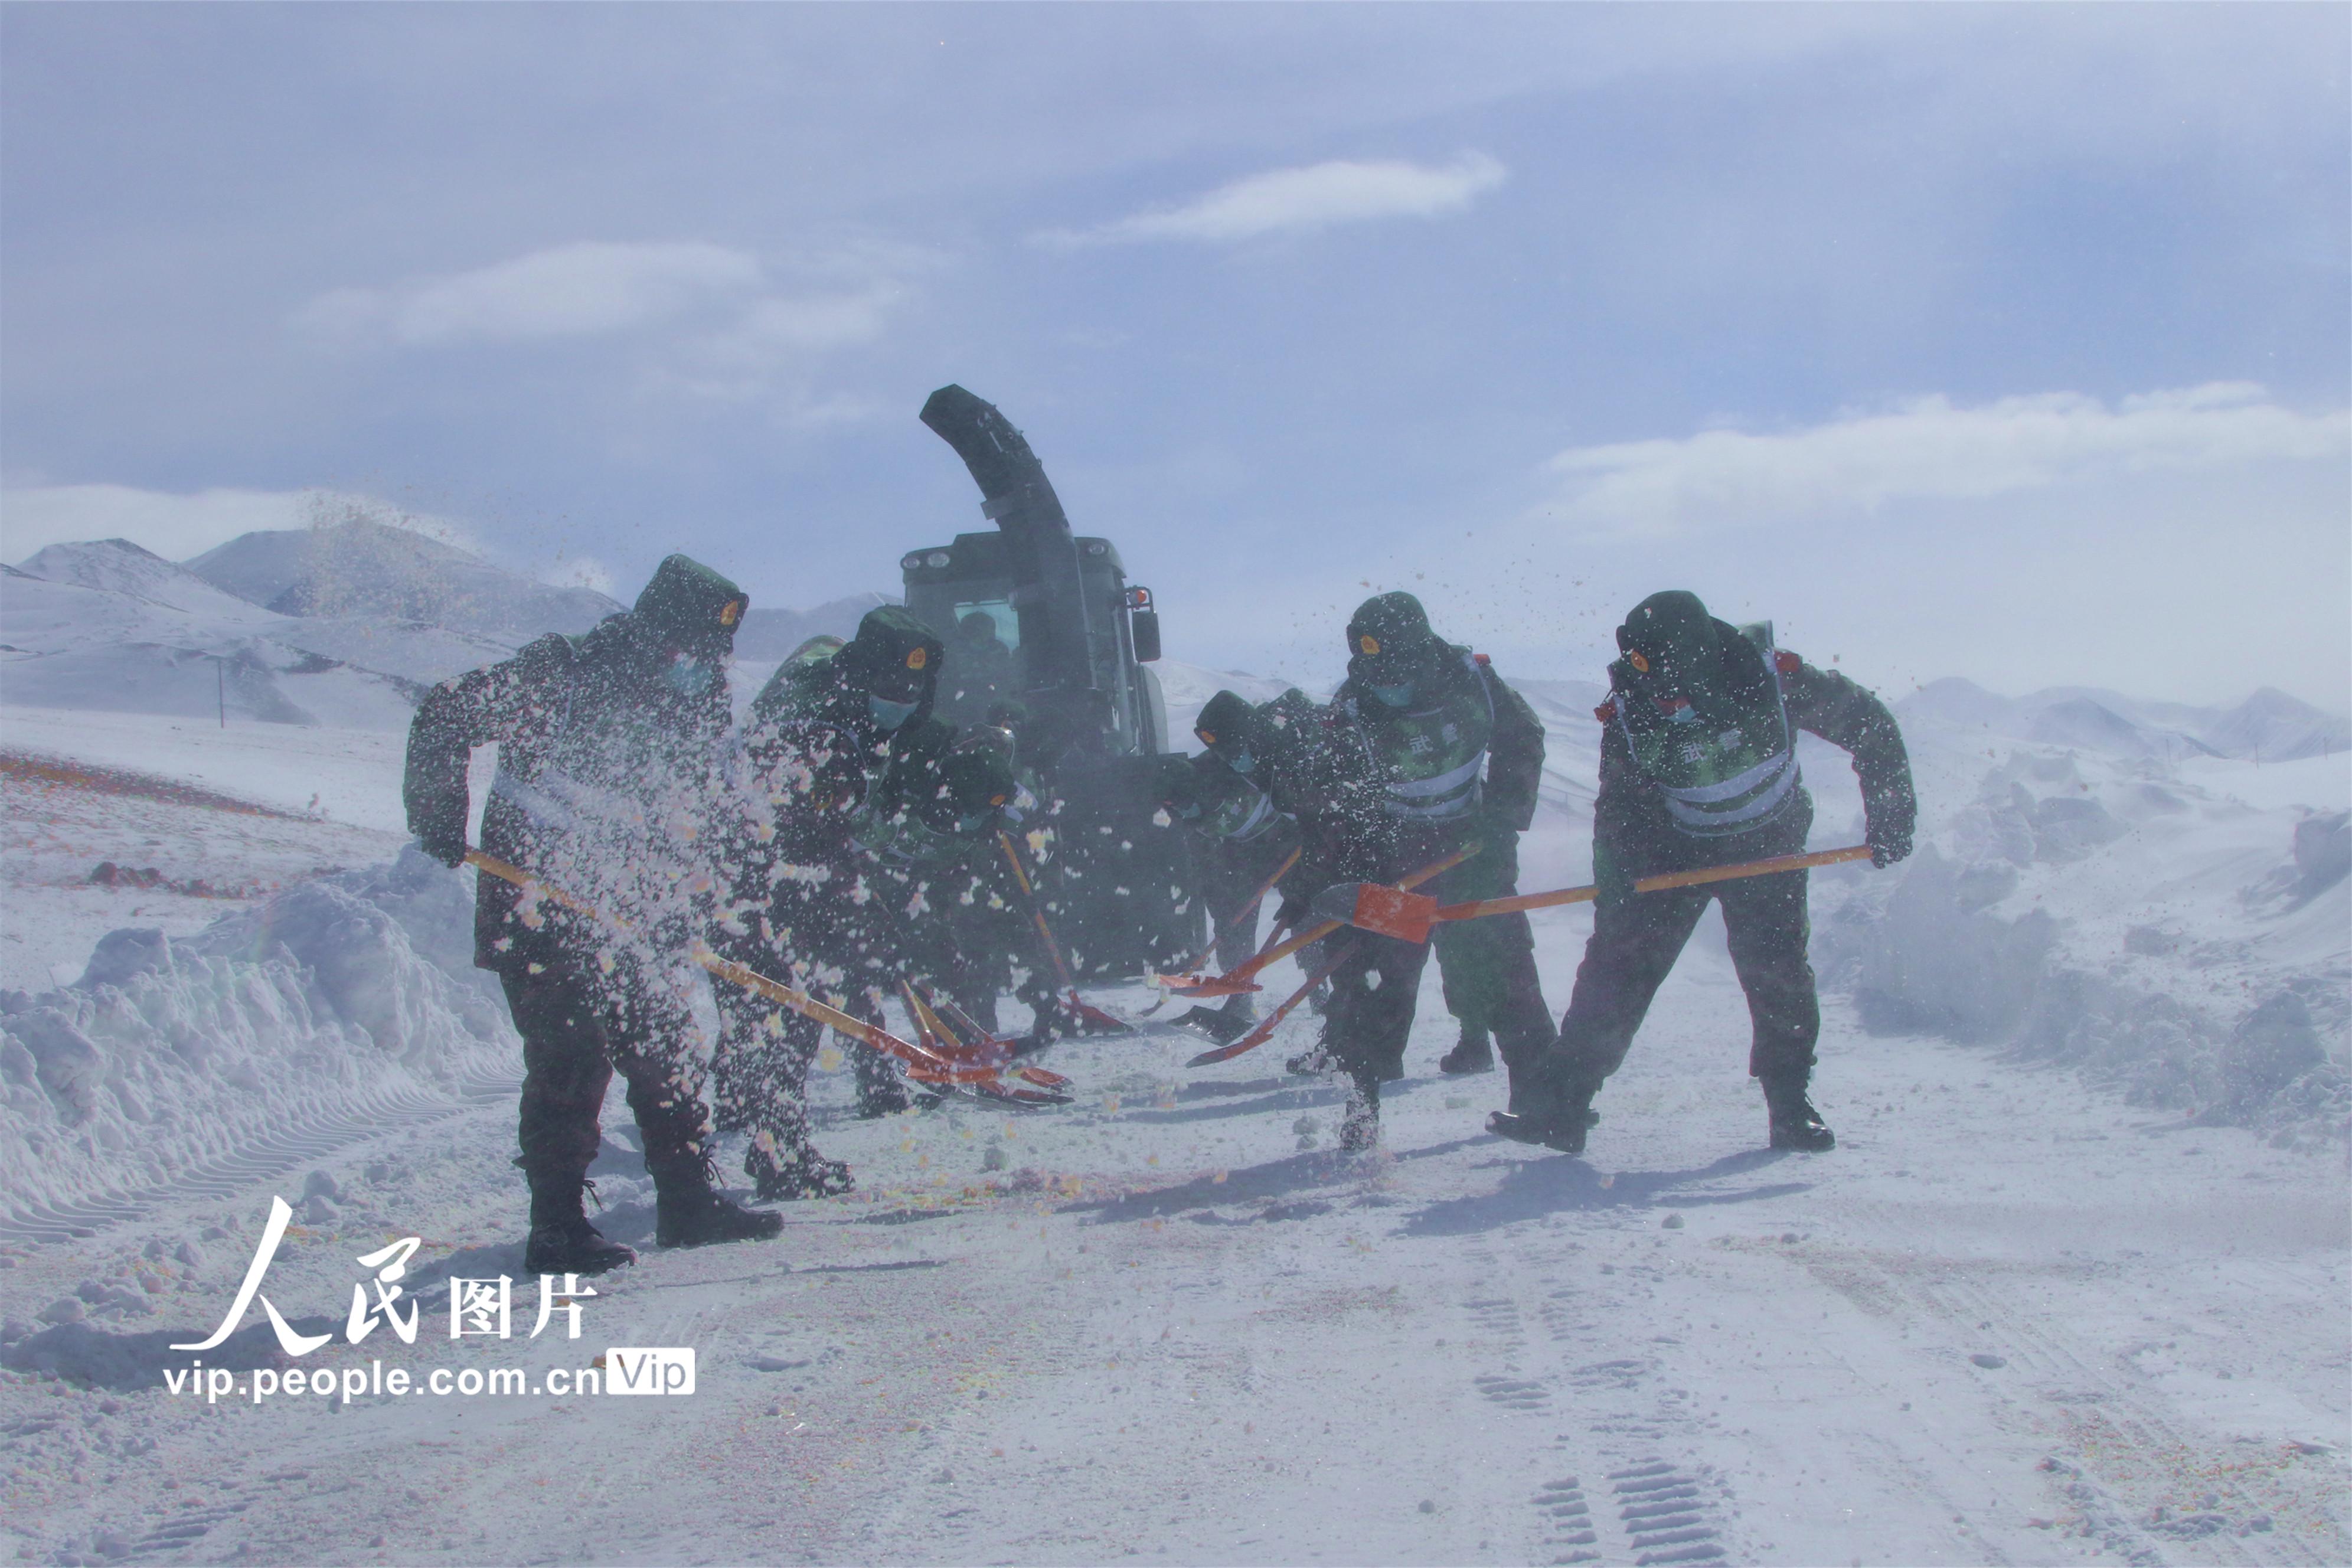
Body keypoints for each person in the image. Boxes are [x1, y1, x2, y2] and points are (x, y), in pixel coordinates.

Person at [403, 555, 783, 1275]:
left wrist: (682, 901)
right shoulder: (562, 676)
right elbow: (446, 712)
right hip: (537, 901)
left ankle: (686, 1203)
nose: (699, 668)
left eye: (710, 657)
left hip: (624, 905)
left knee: (667, 1044)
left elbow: (691, 813)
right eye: (688, 651)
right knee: (571, 1055)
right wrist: (439, 816)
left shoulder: (692, 704)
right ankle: (556, 1229)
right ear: (652, 636)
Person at [1495, 590, 1916, 1155]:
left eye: (1677, 692)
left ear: (1704, 665)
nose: (1667, 705)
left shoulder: (1773, 677)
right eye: (1657, 695)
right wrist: (1616, 876)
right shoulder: (1628, 709)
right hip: (1676, 846)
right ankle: (1564, 1107)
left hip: (1767, 843)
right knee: (1616, 969)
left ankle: (1791, 1106)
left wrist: (1890, 812)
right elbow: (1618, 805)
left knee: (1777, 970)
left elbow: (1868, 723)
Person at [708, 606, 947, 1199]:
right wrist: (857, 895)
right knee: (784, 1013)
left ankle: (755, 1122)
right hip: (749, 881)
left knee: (766, 1010)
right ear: (864, 677)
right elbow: (805, 834)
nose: (901, 701)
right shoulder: (819, 729)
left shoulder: (849, 714)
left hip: (763, 878)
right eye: (891, 688)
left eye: (911, 691)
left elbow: (831, 833)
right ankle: (777, 1155)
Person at [1317, 592, 1557, 1151]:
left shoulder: (1472, 683)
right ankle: (1362, 1108)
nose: (1385, 685)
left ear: (1421, 656)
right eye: (1374, 673)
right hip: (1392, 854)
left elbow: (1524, 739)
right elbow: (1334, 794)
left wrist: (1502, 820)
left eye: (1394, 673)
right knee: (1374, 979)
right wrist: (1355, 868)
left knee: (1503, 968)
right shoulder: (1352, 705)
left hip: (1472, 849)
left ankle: (1540, 1101)